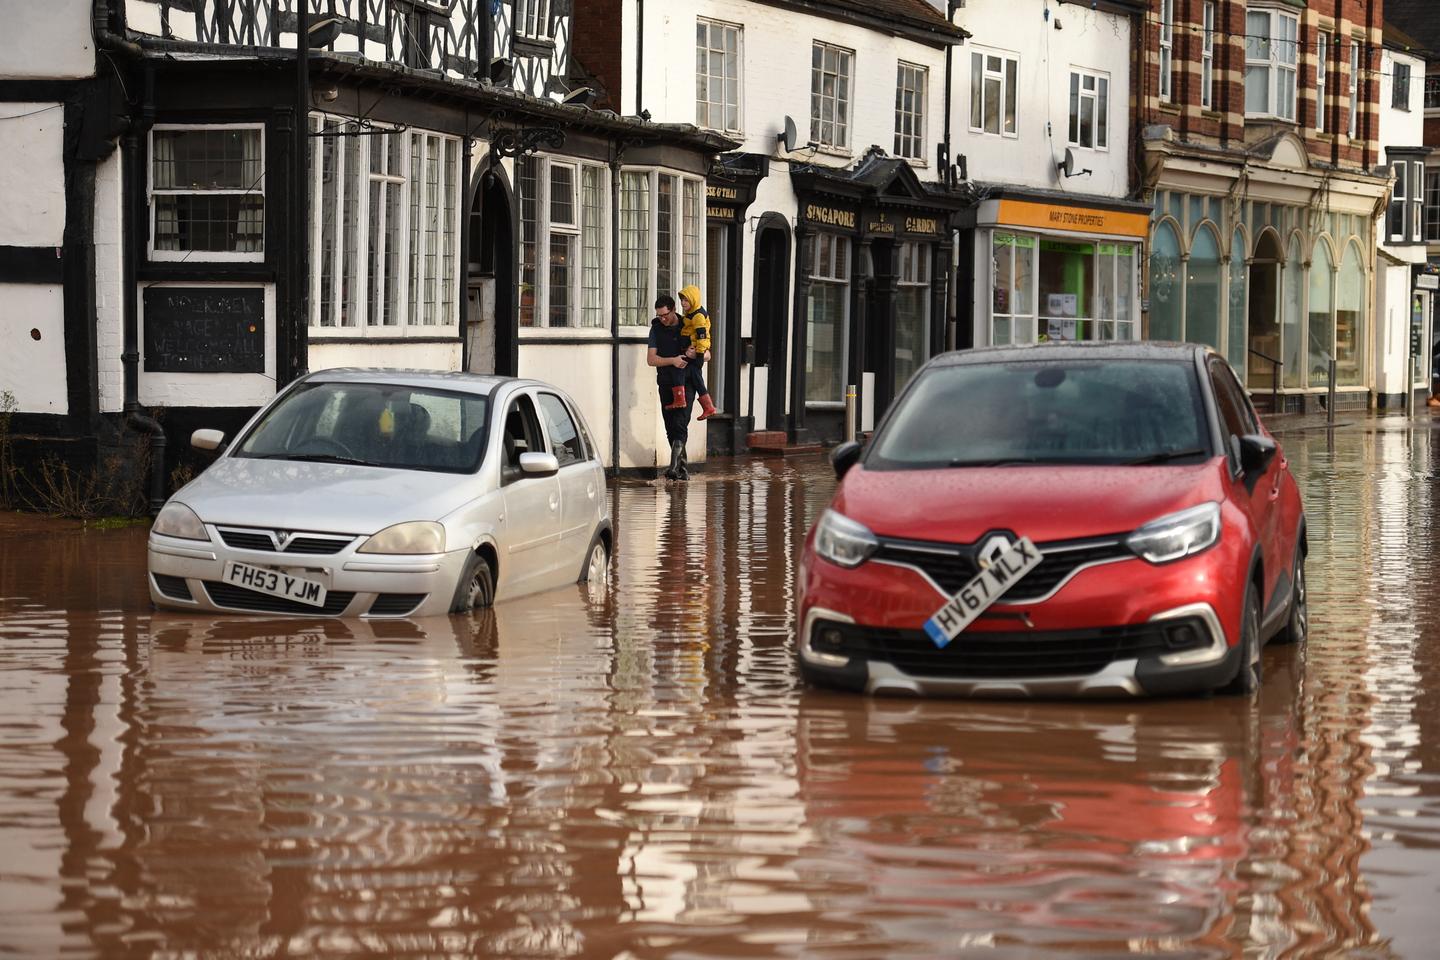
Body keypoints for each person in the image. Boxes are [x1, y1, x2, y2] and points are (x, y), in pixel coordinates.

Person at [647, 295, 694, 480]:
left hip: (686, 382)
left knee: (680, 423)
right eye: (659, 316)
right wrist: (672, 360)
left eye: (665, 315)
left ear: (674, 310)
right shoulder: (656, 329)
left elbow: (707, 354)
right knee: (670, 426)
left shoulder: (688, 325)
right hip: (665, 382)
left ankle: (673, 467)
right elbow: (651, 359)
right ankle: (682, 469)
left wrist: (695, 354)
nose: (662, 319)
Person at [678, 285, 722, 421]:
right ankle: (704, 405)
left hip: (696, 350)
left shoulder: (698, 315)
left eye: (686, 300)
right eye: (682, 300)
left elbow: (702, 336)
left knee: (694, 375)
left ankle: (708, 407)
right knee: (693, 376)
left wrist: (699, 356)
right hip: (692, 349)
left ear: (693, 299)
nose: (683, 303)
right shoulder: (690, 313)